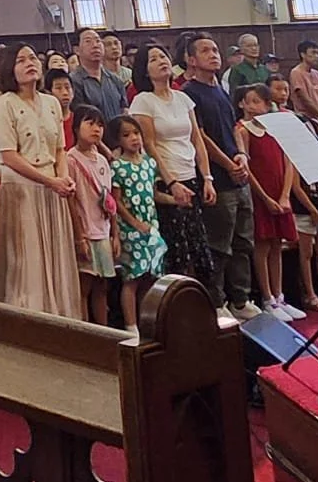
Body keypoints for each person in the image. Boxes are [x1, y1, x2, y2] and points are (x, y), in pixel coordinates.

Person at [0, 45, 81, 319]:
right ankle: (31, 320)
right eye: (20, 60)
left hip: (54, 187)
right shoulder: (5, 104)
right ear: (8, 69)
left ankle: (63, 316)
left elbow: (60, 149)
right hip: (22, 189)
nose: (30, 63)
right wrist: (49, 181)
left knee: (56, 257)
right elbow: (9, 156)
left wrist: (62, 177)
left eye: (32, 57)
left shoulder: (51, 102)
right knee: (29, 260)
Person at [178, 32, 258, 320]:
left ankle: (241, 298)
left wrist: (242, 156)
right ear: (191, 59)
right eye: (205, 51)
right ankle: (217, 299)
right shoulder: (190, 93)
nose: (213, 54)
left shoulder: (221, 90)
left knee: (242, 242)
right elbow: (201, 137)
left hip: (237, 175)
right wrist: (227, 165)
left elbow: (234, 127)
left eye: (215, 50)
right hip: (219, 179)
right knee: (218, 245)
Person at [129, 45, 217, 291]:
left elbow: (197, 139)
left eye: (163, 56)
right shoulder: (143, 101)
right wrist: (171, 182)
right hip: (167, 183)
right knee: (178, 251)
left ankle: (209, 303)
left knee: (200, 247)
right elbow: (149, 145)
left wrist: (207, 177)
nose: (161, 61)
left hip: (192, 176)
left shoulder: (183, 98)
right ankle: (178, 308)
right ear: (145, 71)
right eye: (153, 59)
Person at [236, 83, 308, 321]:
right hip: (260, 195)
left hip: (280, 193)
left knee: (277, 245)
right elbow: (248, 169)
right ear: (242, 104)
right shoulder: (243, 130)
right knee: (263, 245)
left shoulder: (275, 129)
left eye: (261, 102)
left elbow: (288, 162)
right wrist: (266, 199)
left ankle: (279, 296)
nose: (257, 106)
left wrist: (285, 195)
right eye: (252, 101)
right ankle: (267, 297)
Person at [109, 114, 164, 330]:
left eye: (136, 133)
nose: (134, 138)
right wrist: (134, 223)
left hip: (151, 225)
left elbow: (154, 193)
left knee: (150, 277)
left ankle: (147, 321)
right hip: (130, 229)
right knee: (132, 277)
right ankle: (131, 326)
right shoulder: (118, 167)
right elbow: (116, 201)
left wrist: (175, 198)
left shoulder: (149, 163)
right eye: (126, 135)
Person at [66, 104, 117, 325]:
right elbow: (71, 201)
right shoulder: (70, 159)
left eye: (100, 124)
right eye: (90, 123)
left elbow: (110, 201)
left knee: (102, 286)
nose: (96, 129)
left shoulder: (103, 160)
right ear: (76, 127)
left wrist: (115, 234)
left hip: (103, 231)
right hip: (86, 232)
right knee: (84, 287)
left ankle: (105, 332)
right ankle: (86, 331)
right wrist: (79, 237)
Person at [67, 28, 126, 123]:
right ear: (77, 50)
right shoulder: (73, 81)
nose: (95, 45)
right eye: (88, 41)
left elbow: (124, 109)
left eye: (98, 41)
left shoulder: (115, 79)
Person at [288, 40, 318, 124]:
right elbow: (305, 99)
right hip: (307, 119)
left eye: (317, 53)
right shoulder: (296, 72)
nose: (317, 56)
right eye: (313, 53)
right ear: (303, 54)